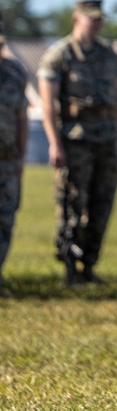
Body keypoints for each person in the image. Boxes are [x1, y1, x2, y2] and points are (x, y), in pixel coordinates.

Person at [37, 0, 117, 285]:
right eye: (91, 19)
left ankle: (89, 264)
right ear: (77, 19)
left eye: (99, 19)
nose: (96, 24)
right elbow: (48, 105)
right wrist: (55, 143)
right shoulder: (59, 55)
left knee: (102, 203)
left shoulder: (109, 54)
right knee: (73, 203)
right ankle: (70, 267)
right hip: (75, 141)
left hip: (105, 140)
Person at [0, 16, 29, 296]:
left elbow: (22, 117)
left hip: (6, 160)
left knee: (5, 220)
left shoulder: (14, 73)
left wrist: (21, 157)